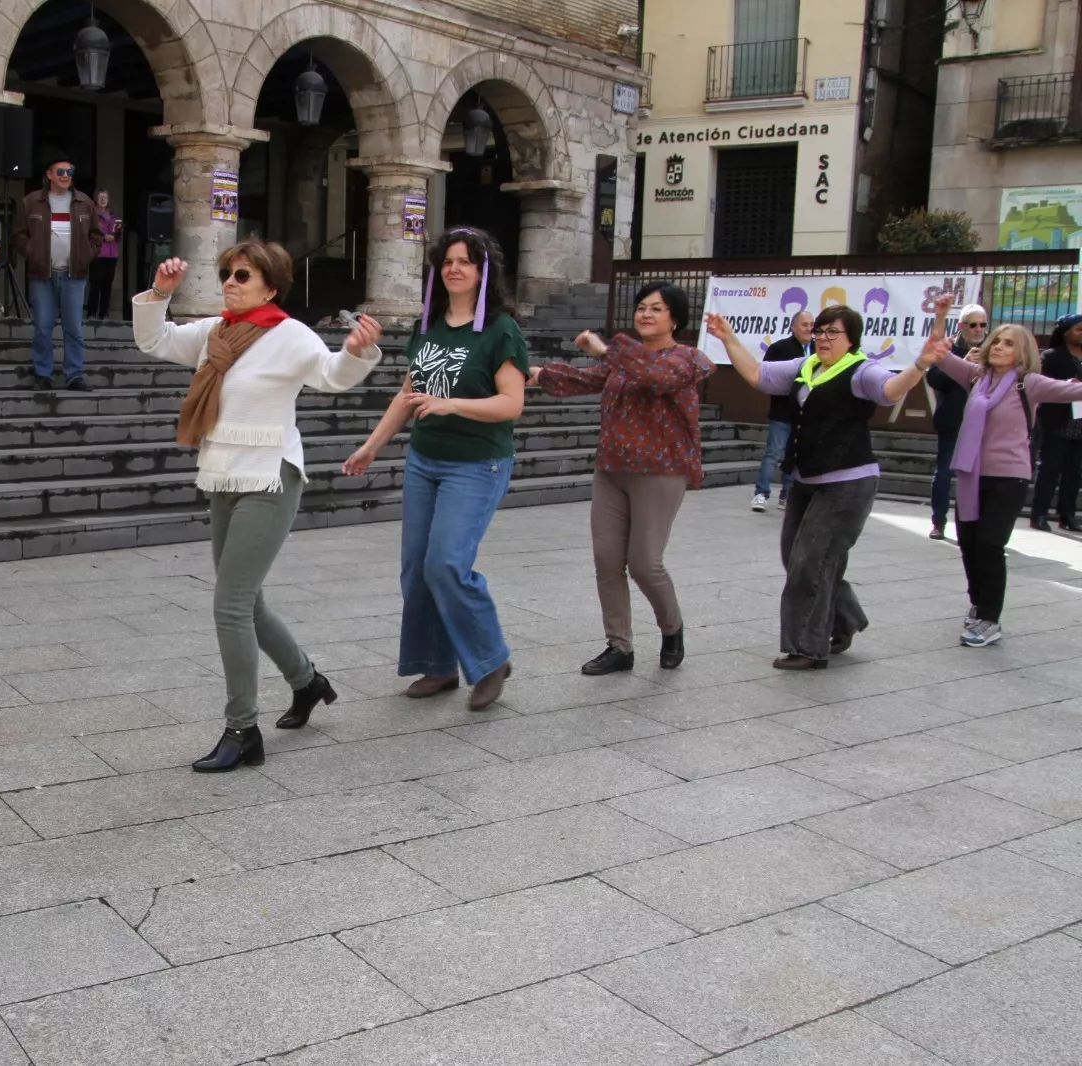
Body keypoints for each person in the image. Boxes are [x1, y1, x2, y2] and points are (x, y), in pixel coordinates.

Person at [134, 242, 383, 771]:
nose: (230, 281)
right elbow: (153, 338)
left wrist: (358, 351)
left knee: (230, 603)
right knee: (249, 602)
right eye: (226, 272)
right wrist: (160, 292)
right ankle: (308, 682)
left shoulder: (289, 334)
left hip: (270, 477)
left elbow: (332, 375)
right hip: (223, 473)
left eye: (242, 275)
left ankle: (242, 729)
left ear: (269, 287)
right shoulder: (213, 332)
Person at [343, 226, 528, 711]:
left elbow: (511, 404)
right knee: (417, 570)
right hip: (426, 461)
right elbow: (408, 395)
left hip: (477, 462)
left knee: (447, 563)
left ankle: (490, 661)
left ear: (484, 271)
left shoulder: (500, 329)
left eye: (466, 260)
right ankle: (439, 664)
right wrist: (371, 446)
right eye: (447, 260)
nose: (454, 268)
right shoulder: (428, 325)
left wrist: (452, 405)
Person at [707, 305, 939, 669]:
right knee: (797, 558)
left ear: (852, 339)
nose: (824, 338)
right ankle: (844, 619)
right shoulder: (806, 366)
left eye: (833, 333)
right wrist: (728, 338)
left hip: (848, 483)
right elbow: (757, 374)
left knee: (809, 562)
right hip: (805, 479)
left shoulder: (862, 371)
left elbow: (890, 391)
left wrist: (920, 365)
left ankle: (808, 648)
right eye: (820, 331)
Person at [535, 283, 712, 676]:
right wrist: (535, 373)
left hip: (661, 472)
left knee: (645, 563)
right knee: (607, 560)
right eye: (641, 307)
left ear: (675, 318)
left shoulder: (688, 359)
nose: (645, 314)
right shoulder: (621, 360)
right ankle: (619, 646)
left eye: (657, 309)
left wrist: (606, 350)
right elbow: (585, 379)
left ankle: (673, 628)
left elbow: (657, 377)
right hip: (611, 470)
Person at [927, 307, 1082, 646]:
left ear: (1022, 350)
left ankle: (989, 618)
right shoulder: (975, 377)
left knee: (990, 544)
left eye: (1007, 344)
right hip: (972, 473)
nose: (997, 347)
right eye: (996, 341)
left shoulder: (1031, 383)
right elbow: (938, 353)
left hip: (1010, 476)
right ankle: (978, 603)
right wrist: (940, 316)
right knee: (968, 543)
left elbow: (1074, 392)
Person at [15, 153, 105, 391]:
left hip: (74, 275)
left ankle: (74, 374)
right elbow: (19, 235)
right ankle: (43, 373)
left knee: (73, 328)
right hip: (42, 274)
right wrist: (32, 252)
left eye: (70, 172)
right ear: (50, 175)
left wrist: (87, 254)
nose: (66, 176)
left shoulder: (84, 202)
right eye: (61, 172)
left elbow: (96, 235)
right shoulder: (31, 202)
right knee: (43, 327)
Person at [924, 304, 986, 539]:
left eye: (983, 324)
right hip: (952, 421)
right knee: (944, 473)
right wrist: (963, 364)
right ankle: (938, 521)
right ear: (962, 326)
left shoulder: (993, 348)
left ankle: (973, 525)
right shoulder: (949, 348)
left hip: (982, 423)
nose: (979, 329)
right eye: (973, 325)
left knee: (976, 477)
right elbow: (934, 379)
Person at [752, 310, 812, 513]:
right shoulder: (780, 348)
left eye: (812, 324)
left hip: (805, 415)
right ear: (793, 327)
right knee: (773, 453)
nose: (809, 329)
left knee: (794, 457)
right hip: (782, 412)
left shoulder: (817, 350)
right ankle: (761, 494)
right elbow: (767, 376)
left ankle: (787, 496)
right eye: (804, 324)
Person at [1029, 313, 1082, 532]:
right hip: (1057, 423)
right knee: (1050, 469)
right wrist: (1064, 385)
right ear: (1065, 332)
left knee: (1074, 472)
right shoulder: (1051, 357)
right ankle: (1039, 514)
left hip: (1080, 425)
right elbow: (1040, 385)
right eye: (1078, 329)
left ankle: (1067, 515)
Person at [87, 189, 122, 320]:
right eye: (101, 197)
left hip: (112, 255)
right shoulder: (92, 216)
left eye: (105, 197)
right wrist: (103, 237)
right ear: (96, 199)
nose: (103, 200)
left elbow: (118, 237)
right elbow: (89, 233)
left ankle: (104, 313)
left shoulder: (114, 217)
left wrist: (116, 235)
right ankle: (91, 313)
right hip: (98, 253)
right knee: (95, 284)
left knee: (107, 285)